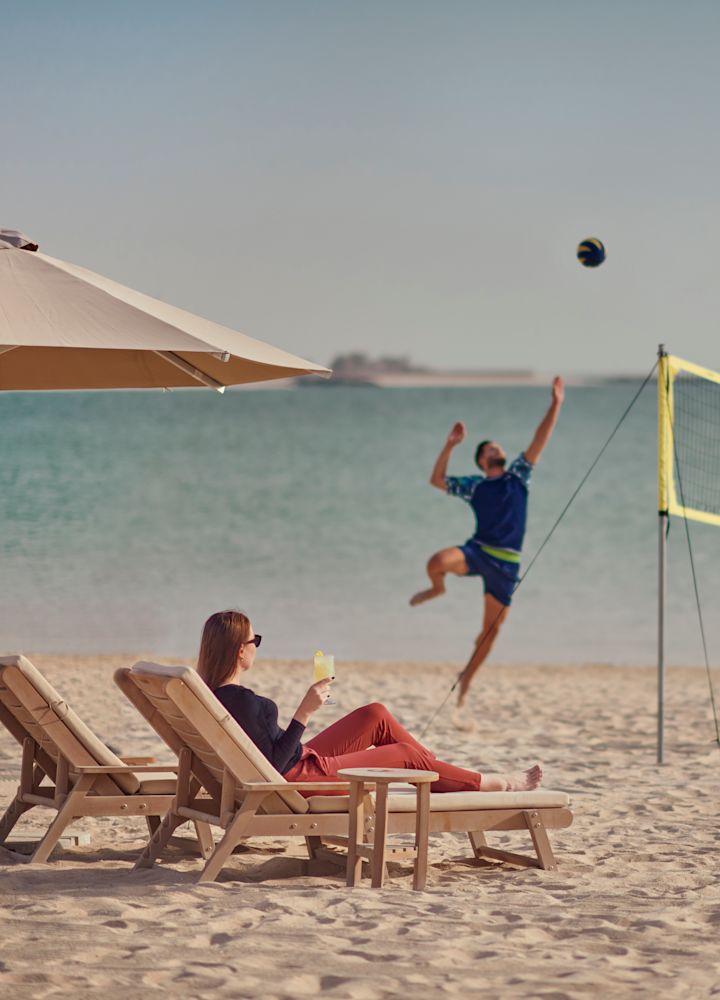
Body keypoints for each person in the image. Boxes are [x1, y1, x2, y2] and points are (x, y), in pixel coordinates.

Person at [197, 610, 543, 794]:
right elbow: (274, 766)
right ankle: (489, 782)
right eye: (254, 639)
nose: (257, 645)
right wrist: (304, 713)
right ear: (240, 651)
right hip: (300, 779)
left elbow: (270, 757)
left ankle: (438, 771)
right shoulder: (245, 703)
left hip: (297, 765)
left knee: (375, 714)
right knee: (407, 756)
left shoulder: (211, 697)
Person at [410, 377, 565, 707]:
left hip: (506, 565)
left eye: (498, 447)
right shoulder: (475, 485)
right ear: (482, 460)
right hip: (477, 551)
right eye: (490, 449)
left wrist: (556, 405)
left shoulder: (518, 475)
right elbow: (436, 480)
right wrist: (450, 446)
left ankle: (466, 680)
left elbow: (540, 439)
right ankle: (438, 588)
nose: (497, 450)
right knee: (436, 562)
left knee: (489, 633)